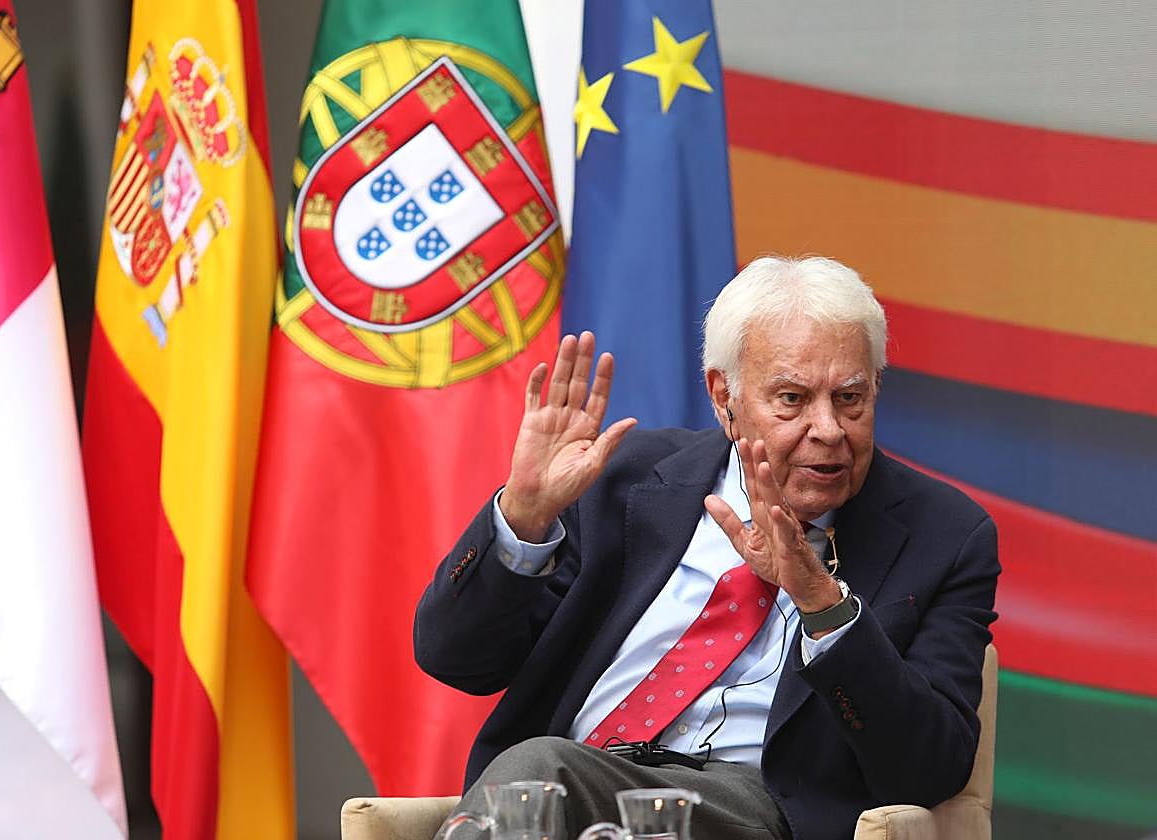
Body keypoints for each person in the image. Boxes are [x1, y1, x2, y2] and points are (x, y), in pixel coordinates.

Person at [415, 256, 999, 840]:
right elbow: (456, 658)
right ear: (725, 397)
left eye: (850, 399)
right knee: (538, 779)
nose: (828, 429)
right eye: (793, 399)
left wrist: (821, 601)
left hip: (747, 807)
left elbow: (932, 769)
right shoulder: (625, 479)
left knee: (540, 769)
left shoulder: (943, 536)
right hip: (569, 789)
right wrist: (525, 514)